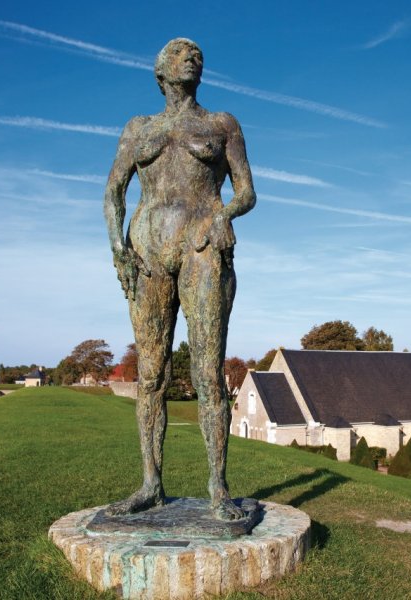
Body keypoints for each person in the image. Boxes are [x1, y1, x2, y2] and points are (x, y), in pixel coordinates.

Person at [103, 38, 256, 520]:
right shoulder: (138, 128)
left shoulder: (221, 124)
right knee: (151, 375)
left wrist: (222, 216)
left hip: (202, 248)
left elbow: (247, 191)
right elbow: (113, 194)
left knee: (208, 374)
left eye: (197, 54)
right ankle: (151, 483)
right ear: (160, 71)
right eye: (179, 53)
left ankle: (218, 489)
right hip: (147, 253)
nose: (192, 57)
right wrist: (117, 249)